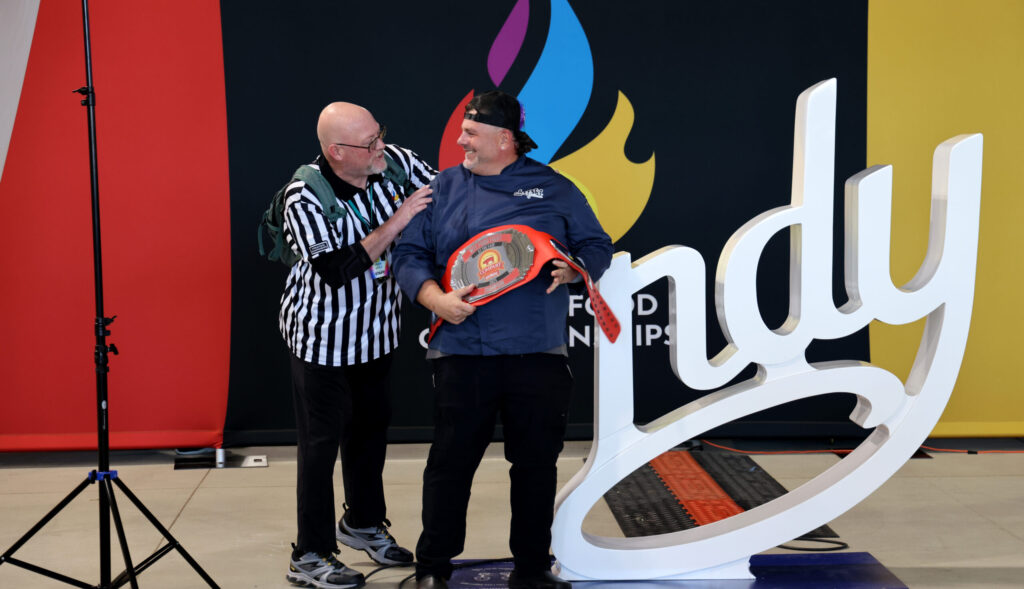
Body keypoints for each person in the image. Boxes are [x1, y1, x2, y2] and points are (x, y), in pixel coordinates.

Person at [392, 91, 613, 589]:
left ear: (505, 139)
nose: (459, 139)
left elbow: (597, 245)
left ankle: (533, 567)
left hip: (537, 352)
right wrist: (434, 300)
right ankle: (433, 568)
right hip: (461, 353)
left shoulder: (553, 188)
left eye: (471, 132)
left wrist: (575, 271)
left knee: (535, 465)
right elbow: (409, 256)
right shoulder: (442, 188)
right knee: (449, 465)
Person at [279, 102, 436, 589]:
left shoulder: (395, 163)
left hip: (376, 334)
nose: (380, 148)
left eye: (379, 135)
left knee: (369, 433)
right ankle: (310, 553)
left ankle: (363, 522)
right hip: (322, 340)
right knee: (320, 447)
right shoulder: (303, 196)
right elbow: (335, 270)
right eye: (368, 144)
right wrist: (401, 218)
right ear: (335, 152)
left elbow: (449, 191)